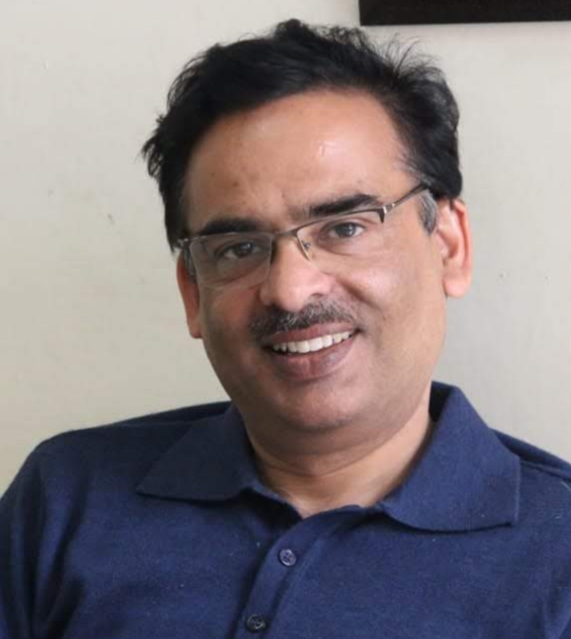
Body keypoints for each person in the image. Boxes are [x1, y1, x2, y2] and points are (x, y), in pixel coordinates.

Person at [1, 19, 570, 639]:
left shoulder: (557, 555)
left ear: (449, 246)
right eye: (238, 247)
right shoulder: (66, 498)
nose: (290, 290)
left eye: (345, 227)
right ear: (193, 292)